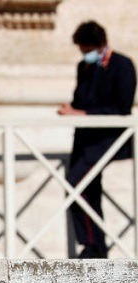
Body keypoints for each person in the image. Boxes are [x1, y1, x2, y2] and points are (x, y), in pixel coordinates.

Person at [58, 21, 136, 259]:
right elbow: (81, 100)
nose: (85, 54)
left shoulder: (122, 65)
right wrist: (71, 109)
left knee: (76, 184)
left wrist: (83, 114)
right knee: (88, 189)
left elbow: (122, 108)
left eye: (86, 48)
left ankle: (93, 244)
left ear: (98, 44)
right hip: (85, 140)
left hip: (107, 139)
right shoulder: (84, 67)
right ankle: (96, 247)